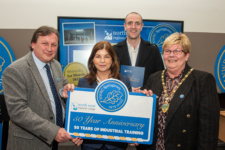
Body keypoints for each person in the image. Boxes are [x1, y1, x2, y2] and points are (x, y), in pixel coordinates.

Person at [2, 26, 83, 150]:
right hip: (29, 143)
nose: (50, 49)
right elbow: (18, 112)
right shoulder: (15, 70)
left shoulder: (55, 65)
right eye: (45, 43)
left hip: (53, 141)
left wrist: (64, 91)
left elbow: (61, 89)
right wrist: (53, 131)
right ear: (33, 44)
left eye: (54, 45)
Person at [139, 32, 220, 150]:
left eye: (177, 51)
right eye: (167, 51)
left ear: (187, 55)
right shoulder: (154, 78)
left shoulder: (202, 80)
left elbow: (208, 130)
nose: (171, 55)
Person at [78, 41, 131, 150]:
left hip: (116, 145)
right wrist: (75, 134)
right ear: (93, 59)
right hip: (90, 144)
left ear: (112, 60)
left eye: (106, 57)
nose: (102, 61)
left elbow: (129, 113)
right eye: (98, 56)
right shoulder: (83, 82)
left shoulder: (124, 81)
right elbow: (79, 115)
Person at [113, 12, 164, 89]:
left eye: (137, 23)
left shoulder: (153, 50)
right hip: (122, 96)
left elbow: (160, 78)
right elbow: (110, 76)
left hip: (145, 97)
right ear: (125, 26)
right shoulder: (114, 50)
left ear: (141, 26)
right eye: (130, 23)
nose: (133, 27)